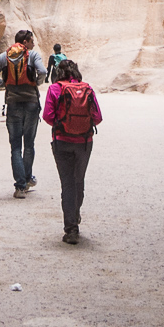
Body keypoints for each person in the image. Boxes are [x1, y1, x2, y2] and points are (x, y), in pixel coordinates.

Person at [42, 58, 102, 245]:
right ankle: (75, 213)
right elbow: (98, 117)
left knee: (67, 184)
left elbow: (47, 116)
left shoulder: (54, 89)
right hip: (84, 141)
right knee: (79, 180)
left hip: (62, 141)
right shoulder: (88, 89)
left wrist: (63, 125)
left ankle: (71, 228)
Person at [0, 28, 47, 198]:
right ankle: (27, 179)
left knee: (15, 147)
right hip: (31, 104)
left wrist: (5, 84)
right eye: (31, 40)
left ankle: (20, 187)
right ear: (25, 42)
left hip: (13, 104)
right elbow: (43, 72)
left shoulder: (4, 56)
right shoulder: (33, 55)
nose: (34, 43)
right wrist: (36, 83)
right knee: (29, 144)